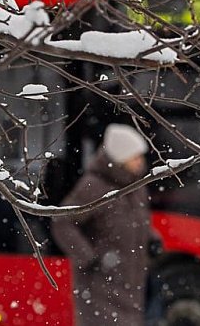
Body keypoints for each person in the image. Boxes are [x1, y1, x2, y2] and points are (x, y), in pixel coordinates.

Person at [52, 124, 151, 326]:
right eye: (135, 157)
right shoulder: (94, 186)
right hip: (99, 289)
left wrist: (152, 239)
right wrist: (88, 258)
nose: (140, 162)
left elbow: (132, 223)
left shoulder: (136, 187)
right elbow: (62, 222)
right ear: (121, 159)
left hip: (131, 287)